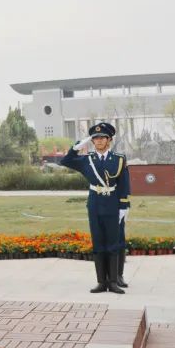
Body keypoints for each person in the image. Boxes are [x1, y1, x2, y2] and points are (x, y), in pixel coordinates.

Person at [58, 123, 130, 294]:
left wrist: (124, 205)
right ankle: (101, 282)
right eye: (95, 138)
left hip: (112, 203)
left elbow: (123, 184)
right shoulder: (87, 159)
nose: (98, 141)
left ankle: (113, 282)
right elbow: (65, 161)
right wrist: (76, 147)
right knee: (98, 241)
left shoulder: (119, 159)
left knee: (112, 242)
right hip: (95, 203)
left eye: (102, 138)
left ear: (109, 140)